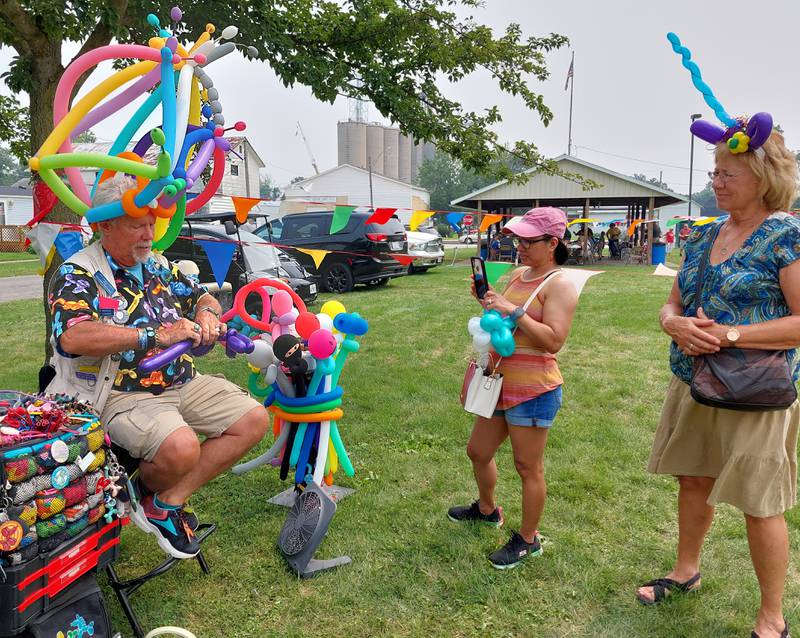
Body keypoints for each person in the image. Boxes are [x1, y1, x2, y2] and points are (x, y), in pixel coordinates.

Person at [46, 175, 269, 560]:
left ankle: (163, 503)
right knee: (181, 449)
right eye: (137, 225)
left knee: (253, 420)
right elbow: (74, 336)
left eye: (152, 224)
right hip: (120, 393)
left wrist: (206, 314)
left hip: (183, 382)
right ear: (105, 225)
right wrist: (155, 335)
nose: (149, 234)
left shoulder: (159, 265)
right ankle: (149, 491)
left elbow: (203, 297)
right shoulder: (77, 273)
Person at [637, 126, 800, 638]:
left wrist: (729, 335)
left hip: (757, 391)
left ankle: (772, 617)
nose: (717, 182)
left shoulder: (786, 234)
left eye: (728, 173)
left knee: (759, 501)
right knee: (693, 479)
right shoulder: (701, 234)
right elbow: (674, 302)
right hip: (694, 380)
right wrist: (673, 323)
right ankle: (685, 572)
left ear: (764, 176)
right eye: (715, 172)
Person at [448, 207, 578, 569]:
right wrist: (489, 302)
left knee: (527, 466)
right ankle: (488, 509)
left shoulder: (560, 284)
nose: (519, 245)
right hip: (499, 381)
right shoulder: (520, 274)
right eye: (517, 239)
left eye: (528, 240)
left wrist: (514, 310)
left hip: (534, 390)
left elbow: (552, 341)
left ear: (552, 243)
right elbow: (503, 322)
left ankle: (528, 539)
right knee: (477, 451)